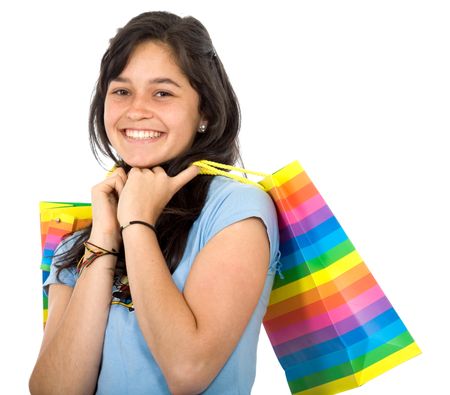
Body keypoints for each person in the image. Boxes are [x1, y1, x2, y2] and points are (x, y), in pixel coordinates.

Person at [29, 11, 279, 395]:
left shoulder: (237, 209)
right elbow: (54, 390)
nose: (136, 110)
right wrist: (106, 236)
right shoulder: (79, 238)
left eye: (162, 92)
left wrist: (137, 224)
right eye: (121, 91)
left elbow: (188, 370)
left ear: (206, 112)